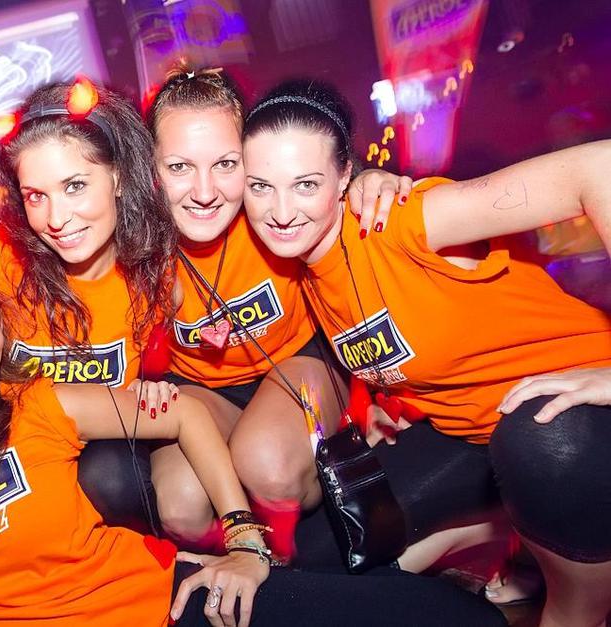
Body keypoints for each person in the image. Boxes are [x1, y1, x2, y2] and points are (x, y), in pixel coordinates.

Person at [0, 233, 507, 626]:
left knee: (447, 621)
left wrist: (243, 539)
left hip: (167, 608)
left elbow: (182, 410)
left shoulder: (38, 403)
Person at [241, 78, 611, 627]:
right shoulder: (301, 268)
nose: (280, 210)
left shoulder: (405, 220)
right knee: (321, 561)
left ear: (344, 178)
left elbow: (598, 168)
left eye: (305, 184)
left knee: (543, 443)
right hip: (475, 439)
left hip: (571, 425)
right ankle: (514, 527)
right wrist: (380, 400)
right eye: (260, 186)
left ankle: (577, 602)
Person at [144, 67, 412, 556]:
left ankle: (305, 556)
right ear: (150, 167)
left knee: (267, 465)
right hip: (203, 391)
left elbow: (332, 203)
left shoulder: (274, 213)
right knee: (180, 507)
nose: (204, 192)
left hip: (298, 363)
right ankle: (252, 564)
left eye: (226, 164)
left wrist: (367, 182)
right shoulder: (139, 245)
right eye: (179, 166)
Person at [0, 79, 179, 534]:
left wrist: (155, 385)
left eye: (74, 186)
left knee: (111, 475)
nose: (56, 219)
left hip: (106, 462)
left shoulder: (156, 276)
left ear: (118, 177)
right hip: (13, 459)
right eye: (36, 196)